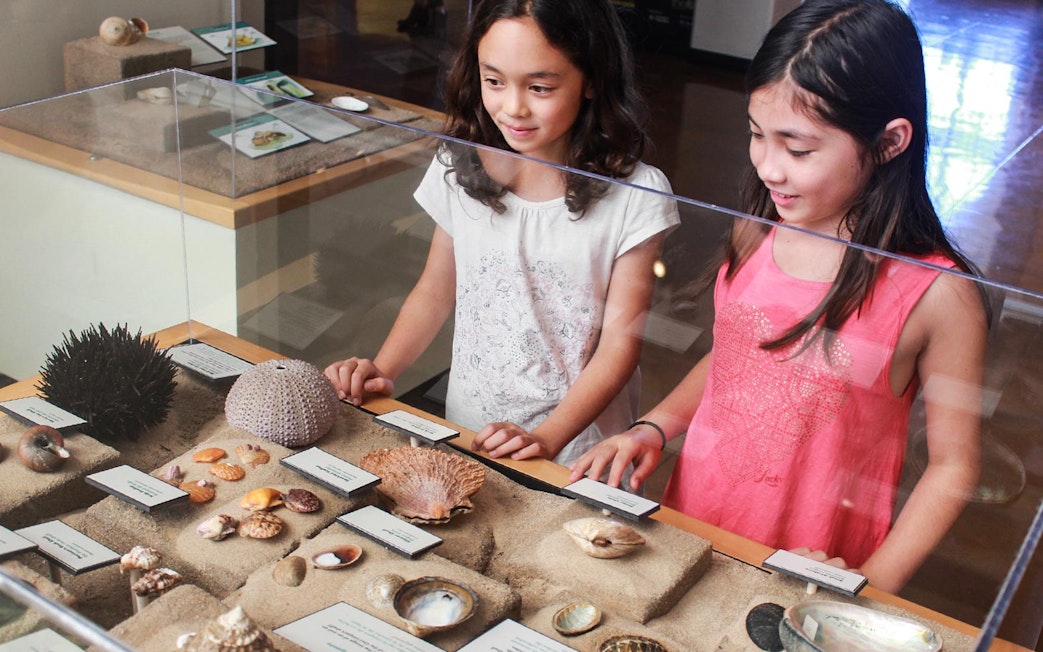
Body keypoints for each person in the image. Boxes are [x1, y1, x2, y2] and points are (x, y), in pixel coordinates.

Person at [569, 0, 988, 594]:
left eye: (798, 149)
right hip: (698, 521)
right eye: (756, 134)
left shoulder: (938, 294)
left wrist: (870, 585)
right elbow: (740, 358)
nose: (768, 167)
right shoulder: (758, 228)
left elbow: (953, 465)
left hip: (814, 563)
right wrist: (654, 428)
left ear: (890, 141)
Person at [325, 0, 679, 468]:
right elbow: (434, 292)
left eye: (539, 87)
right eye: (494, 81)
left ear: (592, 79)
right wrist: (384, 371)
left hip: (576, 448)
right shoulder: (461, 162)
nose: (513, 107)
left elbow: (620, 345)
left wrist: (546, 439)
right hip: (470, 426)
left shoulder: (636, 194)